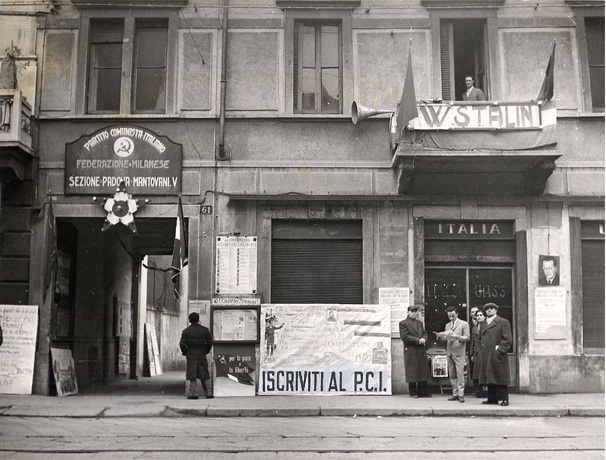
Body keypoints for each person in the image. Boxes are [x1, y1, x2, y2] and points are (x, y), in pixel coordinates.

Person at [477, 303, 512, 406]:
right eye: (487, 309)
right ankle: (492, 399)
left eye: (491, 308)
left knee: (500, 376)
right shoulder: (483, 324)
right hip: (486, 354)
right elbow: (479, 339)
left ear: (496, 310)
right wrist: (479, 351)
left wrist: (499, 350)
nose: (489, 310)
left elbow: (507, 339)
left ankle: (504, 399)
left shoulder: (503, 322)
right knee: (489, 376)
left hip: (497, 354)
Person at [437, 306, 470, 402]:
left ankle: (461, 394)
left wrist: (456, 336)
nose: (451, 318)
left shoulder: (464, 324)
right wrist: (441, 337)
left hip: (459, 352)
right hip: (450, 352)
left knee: (460, 374)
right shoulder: (447, 325)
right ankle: (455, 393)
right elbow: (446, 337)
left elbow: (467, 338)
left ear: (457, 314)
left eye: (453, 316)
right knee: (452, 375)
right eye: (449, 316)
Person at [399, 305, 432, 398]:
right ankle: (413, 392)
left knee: (422, 371)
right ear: (408, 312)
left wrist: (424, 339)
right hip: (411, 350)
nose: (414, 313)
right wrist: (418, 340)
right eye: (412, 311)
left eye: (415, 311)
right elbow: (404, 337)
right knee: (412, 372)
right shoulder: (403, 323)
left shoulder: (419, 323)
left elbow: (425, 333)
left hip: (420, 349)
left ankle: (423, 392)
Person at [179, 312, 213, 400]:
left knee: (192, 374)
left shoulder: (186, 331)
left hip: (191, 353)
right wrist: (205, 350)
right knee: (204, 373)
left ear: (189, 320)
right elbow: (209, 342)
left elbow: (182, 344)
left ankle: (194, 394)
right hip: (201, 353)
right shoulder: (205, 330)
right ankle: (208, 393)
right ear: (198, 319)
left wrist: (185, 352)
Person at [470, 308, 486, 398]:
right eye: (478, 315)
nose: (479, 317)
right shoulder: (474, 328)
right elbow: (473, 342)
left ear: (484, 317)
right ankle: (478, 391)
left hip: (485, 351)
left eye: (481, 315)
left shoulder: (487, 326)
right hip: (477, 352)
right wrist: (472, 354)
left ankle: (486, 391)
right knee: (476, 372)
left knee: (485, 371)